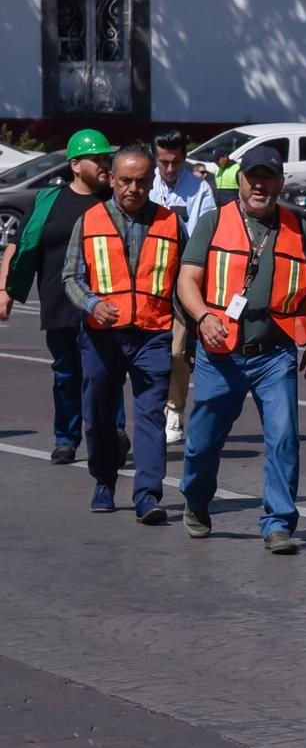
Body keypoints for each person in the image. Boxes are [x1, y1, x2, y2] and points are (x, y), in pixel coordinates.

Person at [175, 145, 306, 554]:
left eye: (268, 177)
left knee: (283, 437)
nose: (260, 185)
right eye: (252, 176)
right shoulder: (212, 223)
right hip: (220, 351)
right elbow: (187, 281)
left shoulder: (299, 228)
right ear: (239, 180)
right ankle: (197, 499)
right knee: (203, 441)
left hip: (275, 351)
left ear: (280, 182)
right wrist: (204, 317)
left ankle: (278, 523)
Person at [61, 144, 183, 522]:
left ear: (153, 181)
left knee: (150, 416)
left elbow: (186, 280)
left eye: (142, 181)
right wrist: (93, 303)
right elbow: (71, 276)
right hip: (102, 336)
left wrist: (190, 329)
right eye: (126, 180)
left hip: (153, 334)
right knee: (97, 415)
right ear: (112, 179)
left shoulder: (172, 223)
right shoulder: (90, 221)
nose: (134, 188)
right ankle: (104, 479)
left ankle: (148, 496)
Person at [1, 129, 128, 464]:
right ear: (75, 165)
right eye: (97, 159)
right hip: (59, 304)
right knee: (67, 375)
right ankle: (66, 439)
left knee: (106, 371)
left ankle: (113, 434)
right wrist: (5, 290)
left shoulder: (114, 201)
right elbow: (18, 246)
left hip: (104, 305)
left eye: (106, 158)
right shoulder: (47, 201)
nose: (105, 164)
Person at [150, 129, 217, 445]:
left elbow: (206, 233)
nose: (170, 169)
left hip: (180, 279)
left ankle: (174, 408)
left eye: (175, 162)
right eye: (163, 162)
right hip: (147, 278)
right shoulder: (143, 183)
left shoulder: (200, 189)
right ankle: (151, 408)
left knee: (177, 351)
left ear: (184, 158)